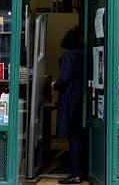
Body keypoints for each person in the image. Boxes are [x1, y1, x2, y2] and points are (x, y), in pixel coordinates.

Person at [53, 27, 86, 184]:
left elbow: (64, 79)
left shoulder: (68, 57)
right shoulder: (86, 56)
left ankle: (74, 173)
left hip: (71, 100)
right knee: (81, 137)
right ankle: (84, 171)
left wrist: (54, 85)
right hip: (85, 100)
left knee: (73, 139)